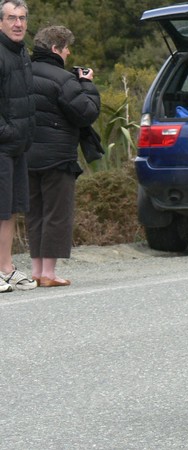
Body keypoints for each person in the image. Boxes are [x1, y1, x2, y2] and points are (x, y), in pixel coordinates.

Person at [25, 25, 101, 287]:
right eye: (67, 48)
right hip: (57, 157)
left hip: (25, 155)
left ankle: (35, 270)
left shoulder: (21, 72)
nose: (69, 53)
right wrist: (87, 85)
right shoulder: (64, 79)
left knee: (34, 213)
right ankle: (49, 273)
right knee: (57, 213)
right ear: (56, 48)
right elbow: (86, 113)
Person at [0, 0, 37, 293]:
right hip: (3, 142)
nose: (18, 23)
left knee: (10, 208)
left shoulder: (22, 52)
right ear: (0, 21)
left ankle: (6, 268)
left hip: (18, 145)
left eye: (22, 18)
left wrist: (22, 134)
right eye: (12, 18)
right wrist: (8, 132)